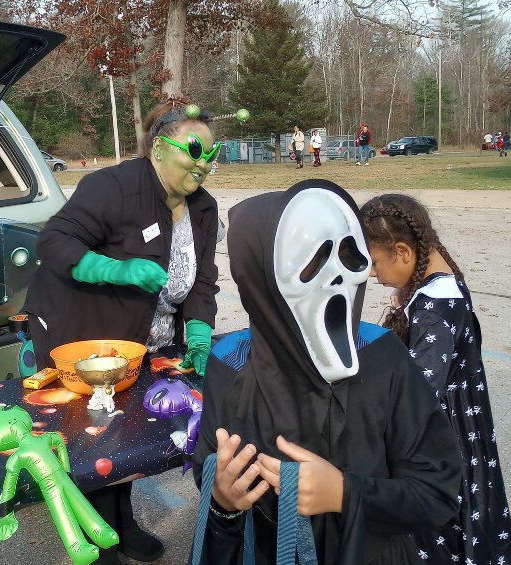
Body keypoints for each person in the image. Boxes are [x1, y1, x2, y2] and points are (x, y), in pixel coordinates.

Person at [192, 179, 462, 565]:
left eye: (350, 256)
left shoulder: (384, 359)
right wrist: (221, 498)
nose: (337, 277)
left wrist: (344, 493)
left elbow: (437, 492)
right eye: (313, 260)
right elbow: (210, 465)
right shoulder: (229, 362)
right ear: (260, 277)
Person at [24, 97, 220, 565]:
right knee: (93, 438)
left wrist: (198, 330)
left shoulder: (204, 208)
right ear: (158, 149)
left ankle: (123, 520)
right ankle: (96, 538)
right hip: (84, 332)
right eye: (194, 150)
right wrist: (114, 269)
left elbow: (203, 278)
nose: (203, 163)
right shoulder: (113, 186)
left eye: (212, 154)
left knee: (129, 434)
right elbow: (53, 242)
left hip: (147, 340)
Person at [361, 194, 511, 565]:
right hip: (465, 434)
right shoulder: (439, 284)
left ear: (402, 251)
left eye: (374, 262)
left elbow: (418, 394)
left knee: (444, 531)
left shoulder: (434, 308)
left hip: (445, 444)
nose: (372, 273)